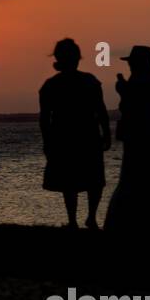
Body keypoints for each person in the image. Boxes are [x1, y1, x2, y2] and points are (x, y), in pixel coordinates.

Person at [39, 38, 111, 229]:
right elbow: (101, 111)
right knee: (90, 180)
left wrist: (47, 141)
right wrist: (107, 134)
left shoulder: (52, 85)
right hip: (82, 135)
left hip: (69, 137)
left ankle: (76, 219)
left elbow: (45, 119)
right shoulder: (88, 82)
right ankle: (88, 218)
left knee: (73, 181)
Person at [114, 45, 150, 187]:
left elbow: (132, 108)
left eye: (132, 62)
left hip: (138, 134)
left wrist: (123, 90)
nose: (130, 65)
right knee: (149, 178)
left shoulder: (137, 83)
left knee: (133, 178)